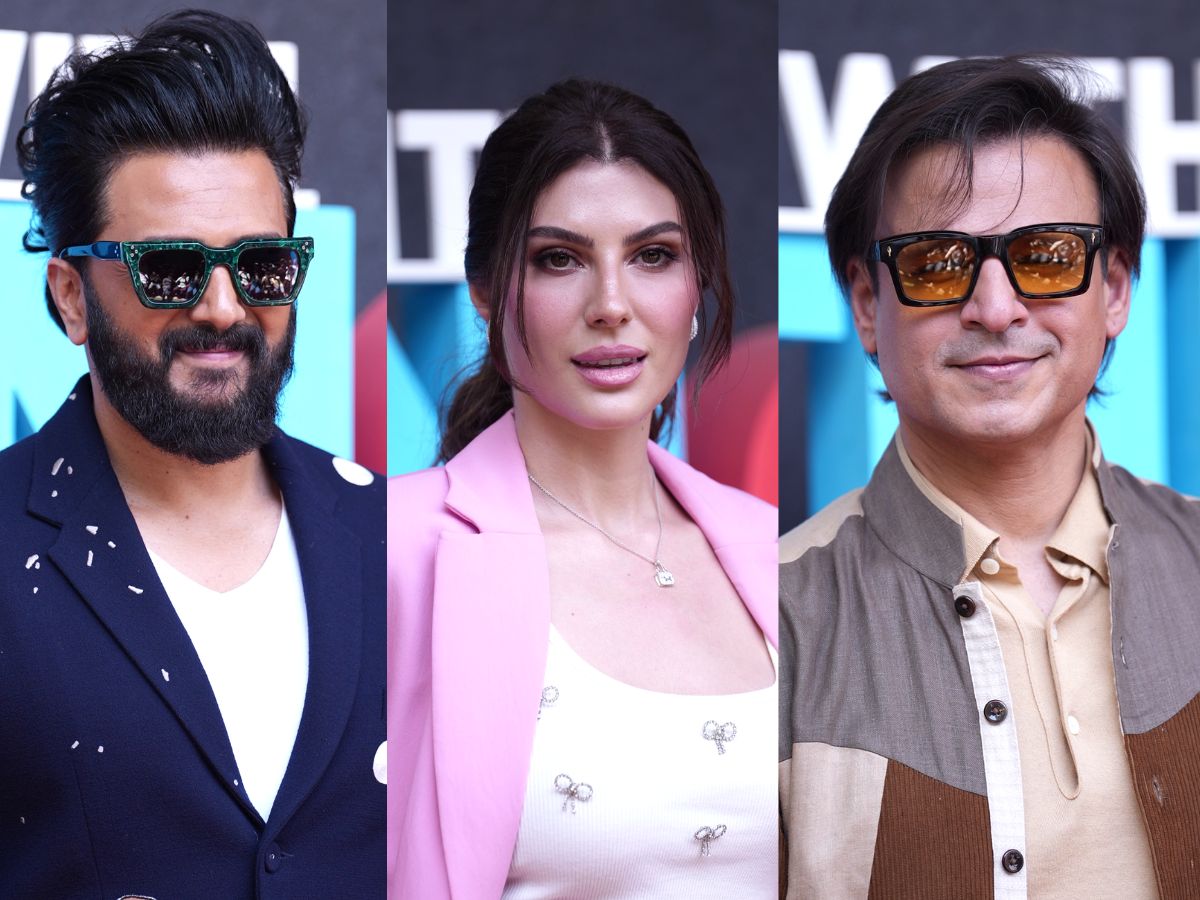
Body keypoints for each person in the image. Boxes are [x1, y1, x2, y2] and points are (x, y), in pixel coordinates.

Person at [780, 55, 1200, 899]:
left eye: (1046, 256)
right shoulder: (771, 618)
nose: (997, 308)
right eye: (938, 263)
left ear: (1116, 288)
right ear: (865, 304)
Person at [1, 11, 384, 897]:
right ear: (70, 296)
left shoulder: (393, 534)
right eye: (168, 268)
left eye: (263, 264)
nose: (222, 307)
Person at [389, 79, 778, 898]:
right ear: (486, 291)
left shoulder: (773, 549)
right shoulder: (394, 546)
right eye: (559, 259)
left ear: (697, 286)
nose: (611, 305)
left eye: (653, 256)